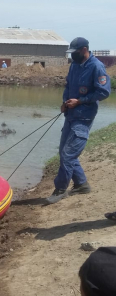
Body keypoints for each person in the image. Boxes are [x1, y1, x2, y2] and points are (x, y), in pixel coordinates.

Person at [45, 37, 111, 204]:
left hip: (84, 116)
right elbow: (68, 85)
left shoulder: (96, 67)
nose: (72, 56)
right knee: (63, 152)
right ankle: (81, 184)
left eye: (74, 53)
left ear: (84, 50)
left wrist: (80, 101)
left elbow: (104, 92)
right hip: (70, 114)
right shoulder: (74, 65)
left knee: (68, 154)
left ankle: (60, 189)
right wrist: (65, 102)